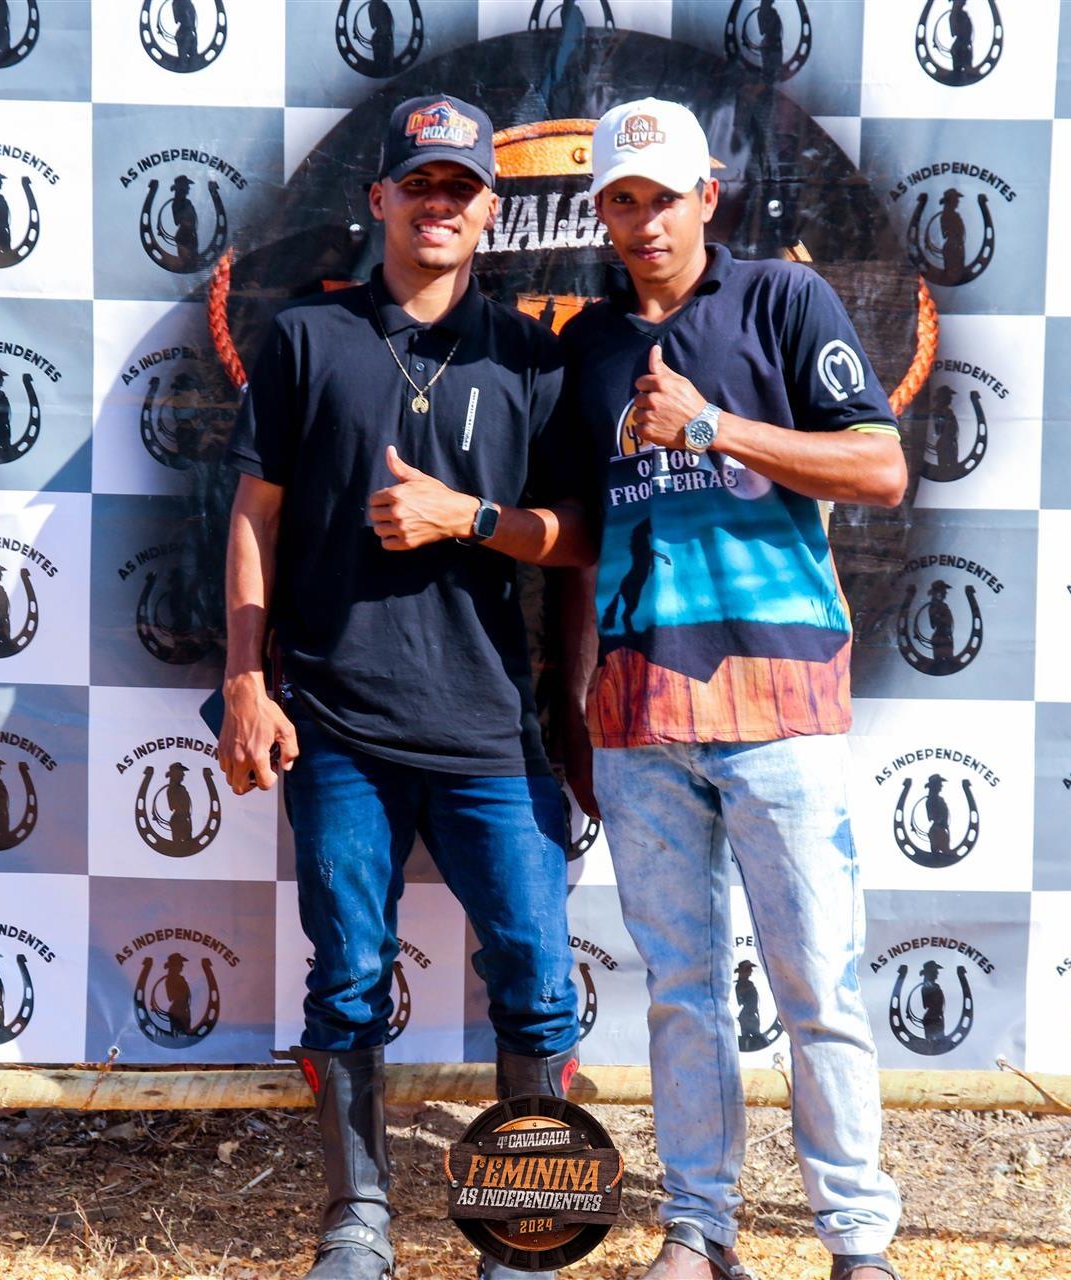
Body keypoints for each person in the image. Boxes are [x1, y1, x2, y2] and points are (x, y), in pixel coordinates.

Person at [220, 93, 592, 1280]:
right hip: (338, 726)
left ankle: (523, 1231)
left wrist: (464, 517)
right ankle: (357, 1221)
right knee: (347, 976)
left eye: (461, 187)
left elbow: (577, 536)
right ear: (378, 197)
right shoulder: (305, 337)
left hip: (490, 727)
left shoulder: (529, 354)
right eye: (420, 182)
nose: (440, 203)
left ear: (490, 212)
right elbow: (253, 515)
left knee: (538, 975)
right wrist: (245, 679)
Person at [559, 98, 908, 1280]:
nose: (645, 221)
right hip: (640, 713)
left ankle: (856, 1239)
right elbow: (581, 537)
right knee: (681, 992)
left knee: (819, 985)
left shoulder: (782, 300)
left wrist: (712, 425)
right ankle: (698, 1231)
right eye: (623, 200)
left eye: (664, 197)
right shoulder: (587, 347)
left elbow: (879, 465)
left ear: (708, 196)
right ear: (602, 214)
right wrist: (578, 699)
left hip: (778, 702)